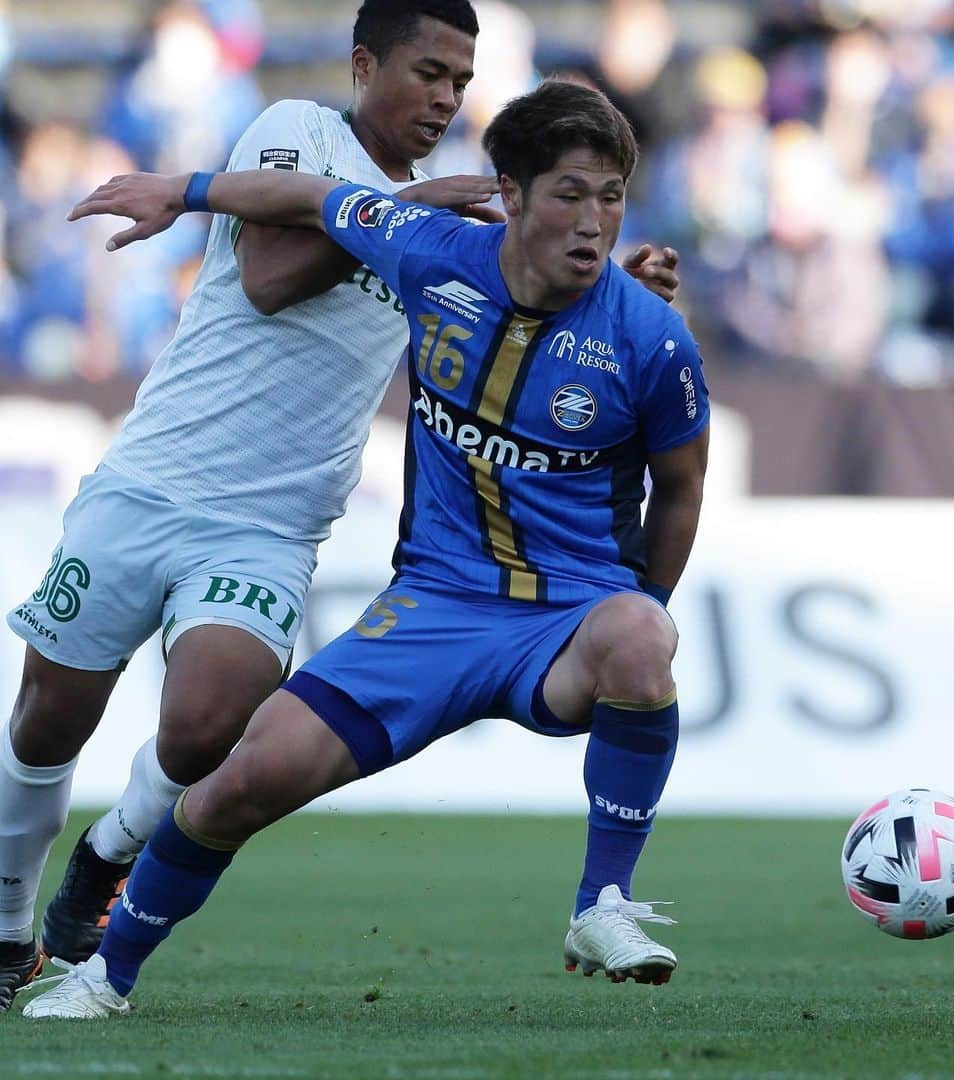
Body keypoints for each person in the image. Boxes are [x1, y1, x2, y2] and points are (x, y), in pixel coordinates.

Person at [0, 0, 680, 1012]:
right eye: (429, 72)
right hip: (149, 484)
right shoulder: (298, 133)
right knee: (49, 721)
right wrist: (421, 212)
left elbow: (527, 304)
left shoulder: (452, 223)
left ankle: (106, 856)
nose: (445, 97)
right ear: (367, 64)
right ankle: (11, 922)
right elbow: (270, 276)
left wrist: (612, 283)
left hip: (272, 527)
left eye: (461, 80)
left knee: (202, 728)